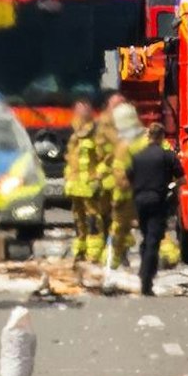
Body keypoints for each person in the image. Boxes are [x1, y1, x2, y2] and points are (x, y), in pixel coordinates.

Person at [125, 122, 184, 296]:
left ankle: (145, 272)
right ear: (162, 137)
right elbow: (182, 179)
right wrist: (171, 187)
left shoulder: (137, 156)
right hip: (158, 200)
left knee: (145, 236)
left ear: (148, 136)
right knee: (153, 239)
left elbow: (128, 178)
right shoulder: (167, 157)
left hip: (140, 200)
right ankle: (146, 278)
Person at [101, 101, 149, 271]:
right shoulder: (147, 140)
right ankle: (164, 258)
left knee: (119, 229)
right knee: (153, 228)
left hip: (126, 196)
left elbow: (120, 175)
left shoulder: (123, 146)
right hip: (149, 192)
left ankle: (111, 263)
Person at [62, 98, 110, 264]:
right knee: (78, 220)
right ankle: (80, 249)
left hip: (89, 187)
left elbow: (106, 159)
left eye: (82, 112)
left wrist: (98, 177)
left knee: (93, 221)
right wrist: (67, 179)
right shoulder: (74, 135)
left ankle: (94, 253)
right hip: (75, 187)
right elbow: (71, 160)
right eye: (77, 111)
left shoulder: (96, 134)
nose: (78, 115)